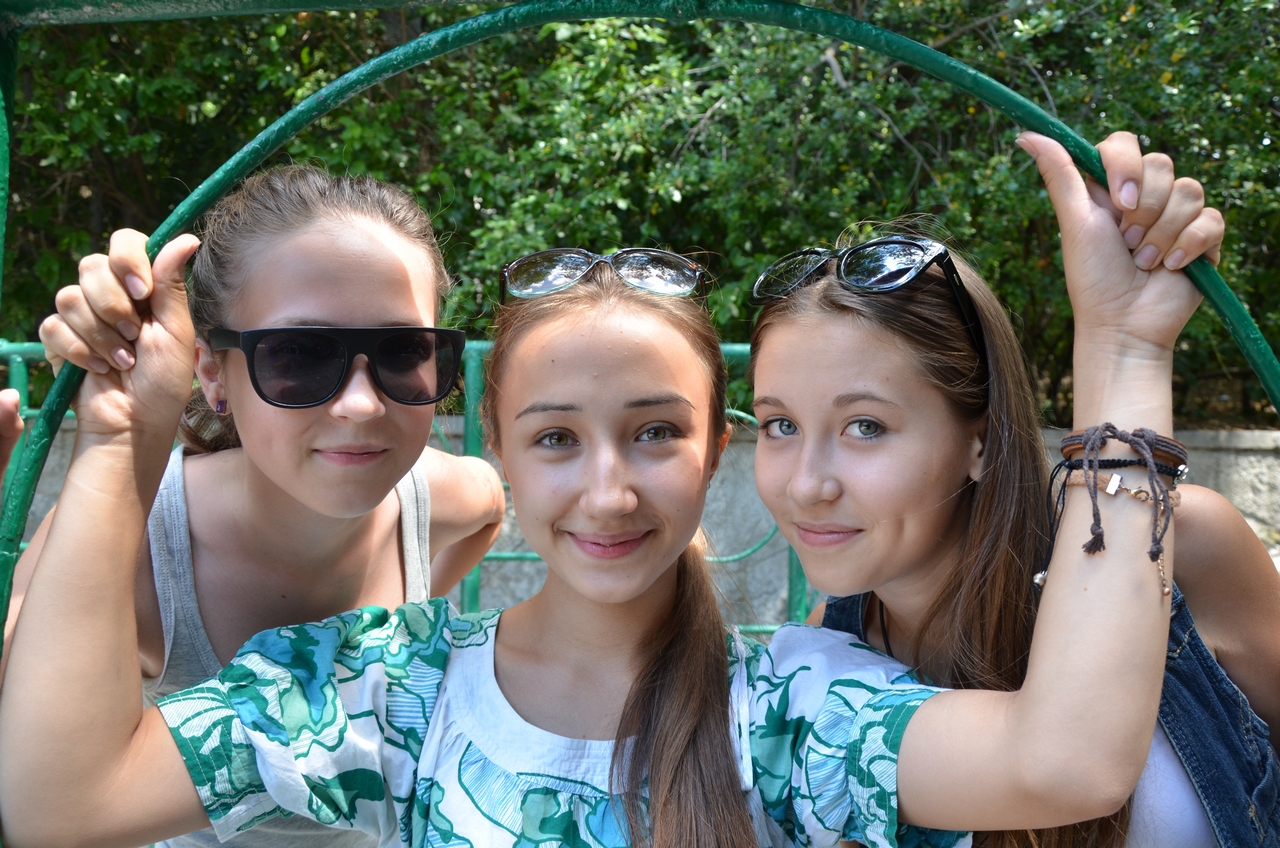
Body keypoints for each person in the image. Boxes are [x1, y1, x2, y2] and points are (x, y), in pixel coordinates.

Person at [0, 131, 1224, 848]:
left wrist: (1123, 353)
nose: (606, 490)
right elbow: (59, 801)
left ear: (715, 446)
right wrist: (117, 434)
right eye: (554, 438)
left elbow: (1066, 760)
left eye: (652, 432)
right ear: (493, 443)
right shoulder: (383, 684)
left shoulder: (794, 696)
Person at [749, 131, 1279, 847]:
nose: (808, 485)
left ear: (980, 440)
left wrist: (1127, 339)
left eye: (865, 426)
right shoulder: (830, 657)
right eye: (780, 425)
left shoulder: (1184, 547)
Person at [0, 166, 506, 848]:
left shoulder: (438, 495)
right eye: (298, 353)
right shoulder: (137, 543)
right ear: (213, 373)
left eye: (403, 349)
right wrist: (123, 437)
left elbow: (488, 513)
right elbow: (30, 787)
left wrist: (399, 633)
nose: (361, 404)